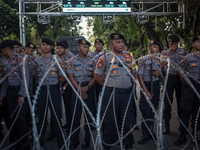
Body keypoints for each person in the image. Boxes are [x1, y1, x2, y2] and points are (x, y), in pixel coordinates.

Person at [95, 33, 135, 150]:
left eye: (122, 42)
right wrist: (108, 86)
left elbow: (134, 73)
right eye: (118, 42)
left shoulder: (129, 56)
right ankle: (107, 143)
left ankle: (128, 143)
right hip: (111, 94)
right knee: (109, 120)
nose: (121, 44)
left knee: (126, 119)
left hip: (126, 94)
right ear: (111, 45)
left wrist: (129, 84)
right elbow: (97, 76)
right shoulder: (105, 57)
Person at [32, 38, 64, 148]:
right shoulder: (36, 61)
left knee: (56, 116)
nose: (45, 46)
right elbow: (35, 76)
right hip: (42, 92)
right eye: (42, 44)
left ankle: (60, 140)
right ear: (40, 46)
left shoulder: (57, 60)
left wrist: (52, 85)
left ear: (51, 47)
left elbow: (61, 76)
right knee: (41, 117)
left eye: (47, 45)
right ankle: (40, 140)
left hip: (54, 90)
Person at [0, 39, 30, 150]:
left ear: (5, 49)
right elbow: (5, 81)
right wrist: (2, 95)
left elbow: (25, 79)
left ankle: (24, 143)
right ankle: (15, 141)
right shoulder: (6, 62)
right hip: (10, 92)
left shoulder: (21, 59)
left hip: (20, 92)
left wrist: (21, 95)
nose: (1, 52)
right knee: (11, 118)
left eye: (1, 50)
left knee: (20, 119)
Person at [67, 39, 96, 149]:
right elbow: (70, 76)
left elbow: (95, 76)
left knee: (88, 116)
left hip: (89, 88)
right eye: (84, 47)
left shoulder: (92, 60)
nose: (86, 49)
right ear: (78, 48)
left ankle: (87, 140)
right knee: (76, 116)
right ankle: (75, 140)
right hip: (76, 89)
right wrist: (80, 89)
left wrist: (86, 88)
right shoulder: (72, 60)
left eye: (87, 47)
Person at [174, 36, 200, 145]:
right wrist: (185, 84)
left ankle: (195, 135)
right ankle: (183, 135)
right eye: (199, 42)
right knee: (186, 111)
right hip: (189, 86)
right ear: (193, 44)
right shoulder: (187, 58)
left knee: (197, 112)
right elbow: (181, 72)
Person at [161, 34, 187, 134]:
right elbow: (161, 64)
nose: (173, 45)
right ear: (169, 43)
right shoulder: (165, 52)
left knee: (181, 102)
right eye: (172, 43)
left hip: (180, 79)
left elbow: (185, 65)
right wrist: (170, 52)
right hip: (169, 78)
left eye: (175, 43)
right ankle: (166, 127)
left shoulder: (183, 52)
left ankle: (182, 125)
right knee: (168, 102)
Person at [137, 40, 162, 144]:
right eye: (154, 47)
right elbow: (140, 76)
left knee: (153, 110)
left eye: (157, 47)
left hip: (156, 86)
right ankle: (145, 134)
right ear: (149, 48)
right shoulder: (143, 60)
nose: (155, 49)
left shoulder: (158, 61)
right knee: (145, 111)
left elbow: (161, 78)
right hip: (147, 86)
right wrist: (146, 92)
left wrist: (159, 74)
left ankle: (151, 132)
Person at [55, 41, 73, 134]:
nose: (59, 50)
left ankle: (69, 126)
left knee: (68, 107)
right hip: (54, 86)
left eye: (61, 48)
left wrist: (64, 87)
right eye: (57, 48)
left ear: (65, 49)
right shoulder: (52, 60)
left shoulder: (69, 60)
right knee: (55, 108)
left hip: (67, 86)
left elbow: (71, 77)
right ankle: (56, 128)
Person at [123, 40, 139, 130]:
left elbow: (134, 69)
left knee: (132, 104)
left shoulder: (130, 56)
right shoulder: (116, 56)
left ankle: (134, 121)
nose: (123, 48)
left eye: (125, 46)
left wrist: (134, 81)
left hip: (130, 83)